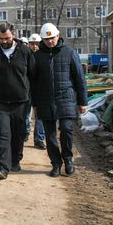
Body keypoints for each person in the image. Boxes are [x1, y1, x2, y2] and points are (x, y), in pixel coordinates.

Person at [32, 23, 87, 177]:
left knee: (67, 130)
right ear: (42, 39)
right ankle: (56, 163)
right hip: (45, 100)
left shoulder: (69, 53)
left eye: (52, 37)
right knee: (49, 136)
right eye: (47, 38)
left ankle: (68, 159)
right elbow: (33, 83)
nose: (50, 41)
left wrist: (83, 102)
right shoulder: (37, 57)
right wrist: (34, 103)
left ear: (58, 35)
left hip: (66, 99)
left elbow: (79, 78)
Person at [0, 23, 35, 180]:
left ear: (14, 35)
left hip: (20, 101)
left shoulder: (25, 52)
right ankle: (2, 166)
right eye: (1, 38)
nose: (4, 41)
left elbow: (32, 75)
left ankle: (15, 159)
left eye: (7, 38)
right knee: (1, 134)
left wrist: (24, 90)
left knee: (18, 133)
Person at [27, 33, 46, 149]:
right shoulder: (24, 55)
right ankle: (24, 133)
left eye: (37, 44)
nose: (34, 46)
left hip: (40, 90)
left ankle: (39, 139)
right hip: (26, 90)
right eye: (32, 44)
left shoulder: (44, 56)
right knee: (25, 114)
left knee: (40, 116)